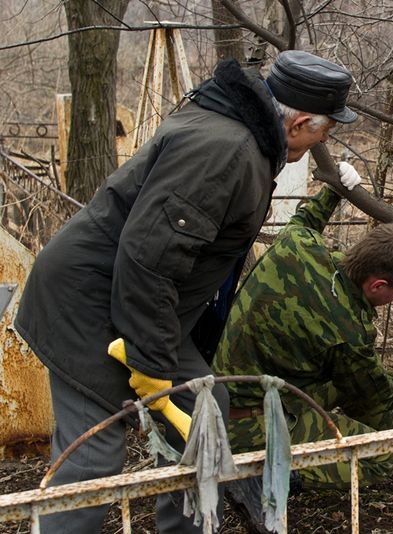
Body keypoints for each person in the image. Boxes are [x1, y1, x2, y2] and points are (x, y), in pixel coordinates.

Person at [14, 50, 359, 534]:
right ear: (300, 122)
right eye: (326, 130)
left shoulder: (243, 136)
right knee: (93, 453)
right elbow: (149, 258)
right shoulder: (226, 151)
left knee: (204, 409)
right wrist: (152, 367)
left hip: (138, 301)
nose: (326, 139)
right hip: (89, 301)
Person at [212, 178, 393, 513]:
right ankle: (262, 475)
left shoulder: (298, 244)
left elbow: (305, 219)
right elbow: (382, 394)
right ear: (377, 285)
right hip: (248, 423)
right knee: (378, 458)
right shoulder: (346, 332)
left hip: (224, 394)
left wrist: (334, 189)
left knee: (352, 385)